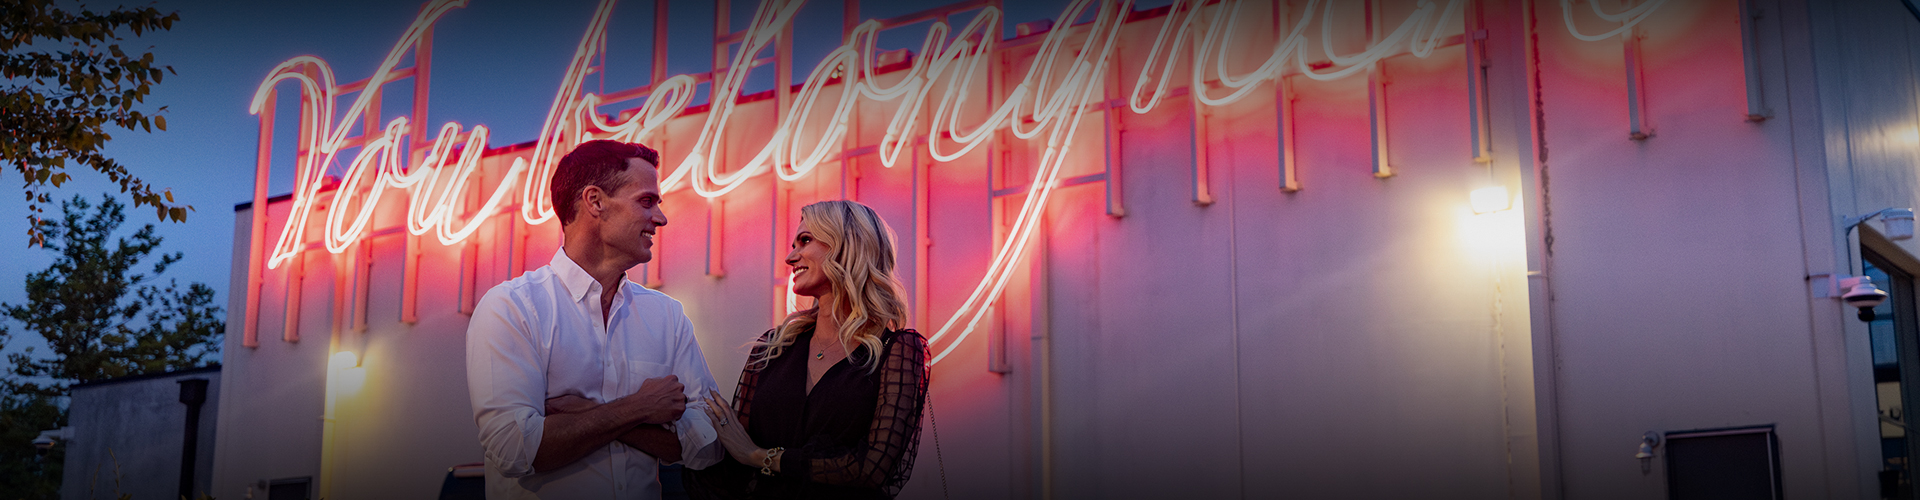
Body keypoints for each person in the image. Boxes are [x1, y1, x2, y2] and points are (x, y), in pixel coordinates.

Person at [467, 140, 725, 499]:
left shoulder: (667, 316)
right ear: (595, 201)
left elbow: (708, 447)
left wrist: (587, 413)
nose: (661, 218)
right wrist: (639, 409)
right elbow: (516, 450)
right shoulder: (512, 308)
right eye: (646, 201)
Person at [688, 200, 930, 500]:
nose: (790, 257)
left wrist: (759, 457)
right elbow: (733, 453)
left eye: (805, 241)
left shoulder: (897, 351)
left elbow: (873, 467)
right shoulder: (773, 347)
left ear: (847, 246)